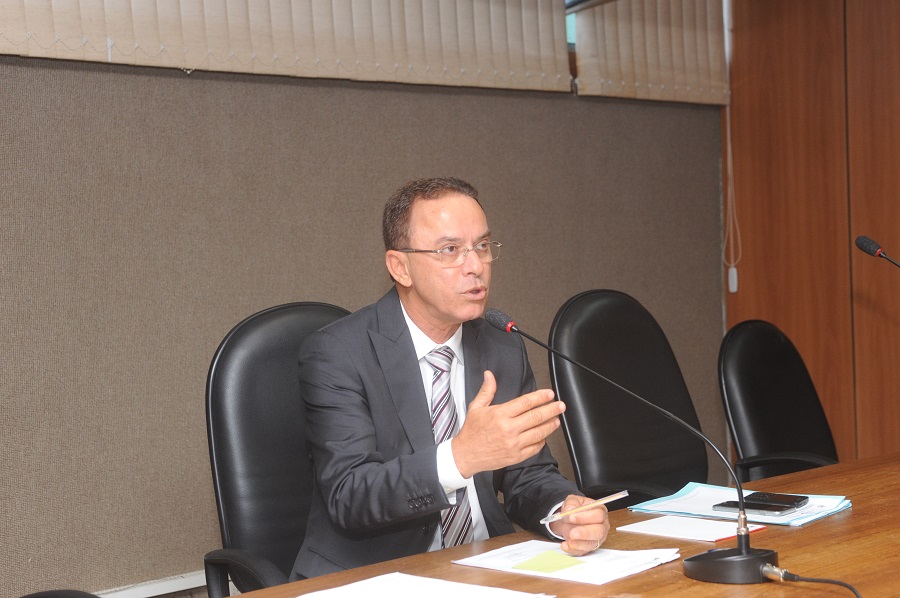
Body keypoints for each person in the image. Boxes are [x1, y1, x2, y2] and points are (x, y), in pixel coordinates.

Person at [290, 177, 609, 579]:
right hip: (373, 576)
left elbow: (528, 474)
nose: (475, 266)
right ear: (400, 267)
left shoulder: (502, 345)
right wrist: (460, 457)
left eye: (482, 246)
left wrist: (564, 511)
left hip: (483, 567)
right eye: (450, 250)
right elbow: (350, 495)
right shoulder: (338, 352)